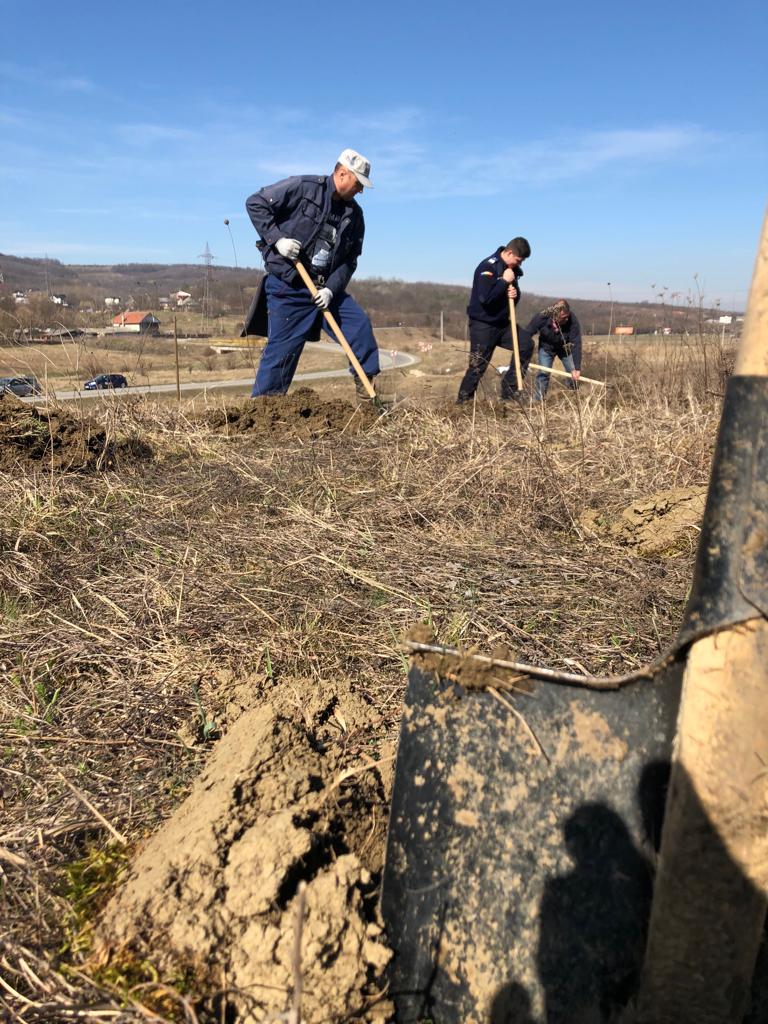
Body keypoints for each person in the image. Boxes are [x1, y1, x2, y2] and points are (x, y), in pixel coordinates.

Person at [243, 149, 380, 399]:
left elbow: (350, 261)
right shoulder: (304, 188)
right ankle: (263, 411)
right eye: (358, 184)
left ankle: (367, 399)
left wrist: (331, 289)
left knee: (359, 328)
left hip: (326, 289)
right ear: (342, 173)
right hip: (290, 287)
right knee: (281, 355)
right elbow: (256, 203)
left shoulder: (355, 216)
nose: (360, 191)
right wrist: (278, 240)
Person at [457, 237, 532, 404]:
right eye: (519, 260)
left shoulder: (511, 270)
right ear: (510, 253)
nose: (519, 264)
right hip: (483, 324)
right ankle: (462, 403)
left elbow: (512, 297)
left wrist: (515, 294)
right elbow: (486, 298)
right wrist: (504, 281)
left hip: (502, 324)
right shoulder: (488, 267)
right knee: (478, 366)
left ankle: (509, 390)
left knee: (526, 344)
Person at [526, 299, 582, 400]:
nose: (566, 320)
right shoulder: (541, 317)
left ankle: (574, 397)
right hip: (546, 348)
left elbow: (576, 343)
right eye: (563, 318)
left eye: (567, 317)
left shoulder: (573, 321)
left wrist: (577, 368)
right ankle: (539, 401)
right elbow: (528, 333)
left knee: (572, 372)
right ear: (554, 315)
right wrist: (521, 350)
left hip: (565, 348)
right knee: (544, 373)